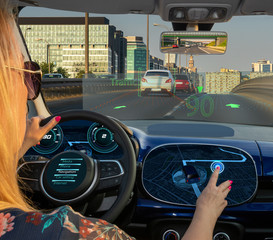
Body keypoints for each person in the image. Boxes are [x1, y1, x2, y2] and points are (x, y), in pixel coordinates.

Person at [0, 1, 232, 239]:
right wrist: (206, 211)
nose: (31, 93)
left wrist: (19, 147)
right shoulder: (69, 230)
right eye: (28, 77)